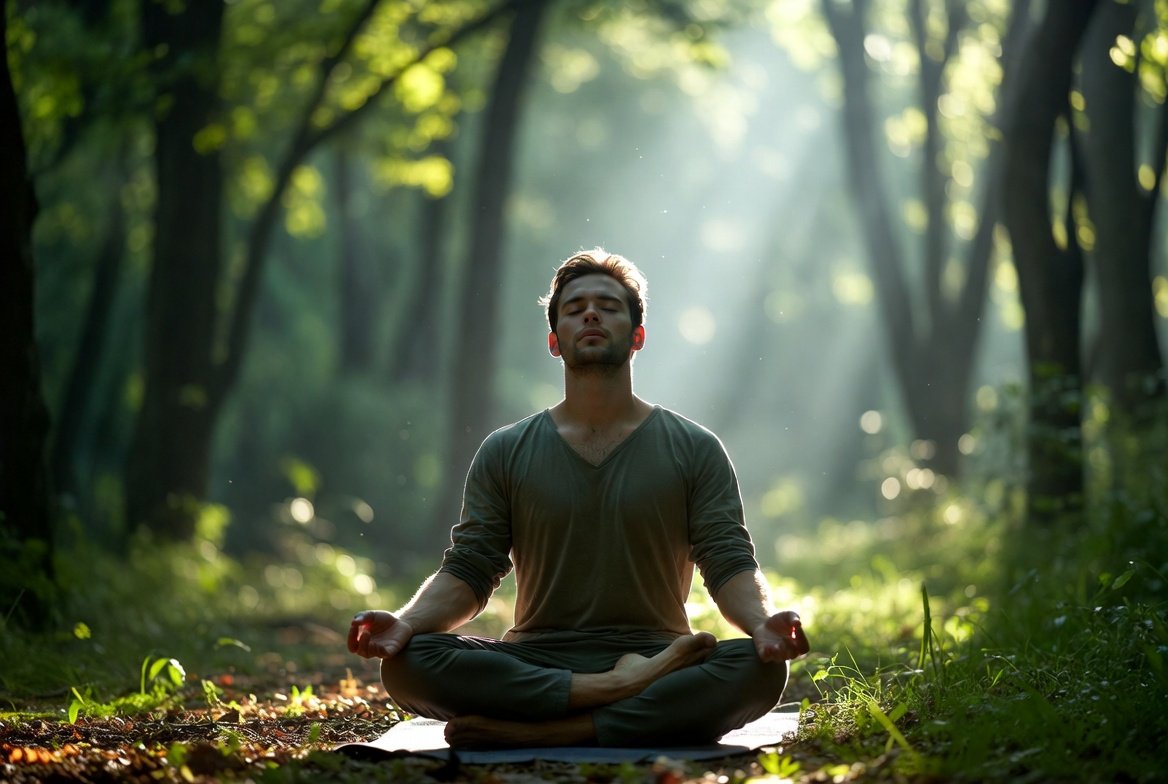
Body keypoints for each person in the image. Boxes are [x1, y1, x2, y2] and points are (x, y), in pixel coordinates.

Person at [348, 248, 810, 748]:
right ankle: (616, 695)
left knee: (758, 670)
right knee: (410, 664)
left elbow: (728, 559)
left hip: (659, 654)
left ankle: (560, 726)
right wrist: (407, 623)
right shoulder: (505, 450)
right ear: (554, 341)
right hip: (536, 659)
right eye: (574, 308)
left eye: (609, 306)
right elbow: (470, 567)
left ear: (637, 337)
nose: (591, 313)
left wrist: (763, 624)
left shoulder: (694, 447)